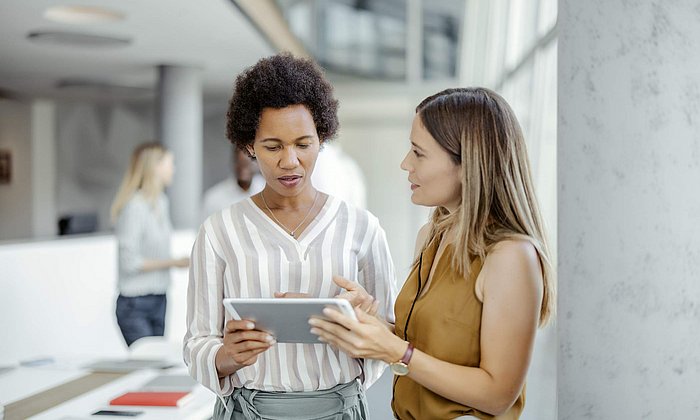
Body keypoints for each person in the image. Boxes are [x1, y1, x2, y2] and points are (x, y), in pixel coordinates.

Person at [310, 87, 556, 419]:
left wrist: (396, 351)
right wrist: (377, 329)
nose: (405, 164)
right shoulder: (431, 236)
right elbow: (430, 347)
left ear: (467, 163)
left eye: (418, 153)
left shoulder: (511, 257)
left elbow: (497, 395)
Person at [183, 53, 397, 420]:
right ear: (249, 146)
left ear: (322, 138)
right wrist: (225, 356)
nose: (290, 161)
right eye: (272, 146)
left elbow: (392, 335)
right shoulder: (220, 231)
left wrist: (364, 325)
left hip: (340, 411)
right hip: (248, 411)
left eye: (303, 143)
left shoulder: (362, 227)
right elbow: (196, 342)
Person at [110, 142, 190, 347]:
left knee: (157, 368)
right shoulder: (134, 207)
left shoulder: (161, 202)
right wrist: (173, 263)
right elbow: (129, 262)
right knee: (148, 365)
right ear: (155, 166)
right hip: (135, 304)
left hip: (159, 299)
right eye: (170, 163)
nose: (174, 168)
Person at [201, 147, 265, 222]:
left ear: (257, 164)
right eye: (240, 163)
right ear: (234, 163)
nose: (244, 169)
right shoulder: (214, 199)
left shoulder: (269, 192)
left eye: (247, 163)